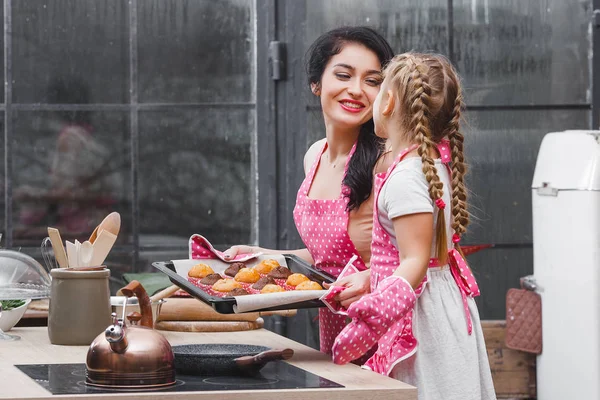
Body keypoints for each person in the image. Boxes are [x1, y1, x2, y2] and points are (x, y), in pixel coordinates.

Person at [331, 52, 497, 400]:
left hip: (423, 318)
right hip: (436, 301)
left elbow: (416, 260)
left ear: (388, 101)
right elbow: (418, 253)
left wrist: (375, 314)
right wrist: (369, 277)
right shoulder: (426, 165)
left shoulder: (407, 177)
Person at [223, 26, 394, 357]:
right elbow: (330, 257)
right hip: (336, 325)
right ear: (316, 83)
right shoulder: (315, 155)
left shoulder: (388, 159)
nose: (356, 90)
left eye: (372, 81)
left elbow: (427, 259)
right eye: (343, 75)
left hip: (387, 328)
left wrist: (371, 277)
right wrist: (260, 257)